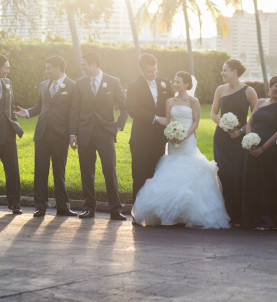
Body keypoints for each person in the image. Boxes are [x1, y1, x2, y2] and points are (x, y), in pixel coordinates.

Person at [132, 71, 230, 229]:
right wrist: (171, 134)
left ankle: (187, 214)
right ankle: (171, 214)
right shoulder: (169, 101)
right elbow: (168, 121)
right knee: (172, 171)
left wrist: (185, 136)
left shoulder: (194, 101)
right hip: (173, 141)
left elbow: (196, 122)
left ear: (186, 84)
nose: (175, 84)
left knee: (190, 172)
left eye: (178, 82)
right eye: (174, 81)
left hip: (188, 140)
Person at [15, 56, 77, 217]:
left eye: (48, 68)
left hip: (60, 135)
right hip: (42, 134)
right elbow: (39, 106)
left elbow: (74, 112)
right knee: (40, 171)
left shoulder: (73, 86)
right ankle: (40, 207)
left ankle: (63, 207)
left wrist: (72, 134)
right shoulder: (43, 85)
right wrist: (27, 112)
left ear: (58, 68)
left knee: (59, 172)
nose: (46, 71)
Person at [69, 52, 128, 220]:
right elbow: (74, 109)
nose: (83, 67)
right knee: (86, 172)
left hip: (105, 133)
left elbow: (125, 107)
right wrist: (73, 134)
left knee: (109, 170)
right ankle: (89, 208)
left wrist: (118, 125)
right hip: (84, 133)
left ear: (95, 64)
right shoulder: (79, 83)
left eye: (85, 64)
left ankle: (116, 210)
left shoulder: (113, 81)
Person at [241, 76, 277, 231]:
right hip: (252, 149)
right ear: (270, 87)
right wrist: (250, 141)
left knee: (268, 184)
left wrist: (263, 148)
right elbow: (250, 123)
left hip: (270, 150)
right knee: (254, 182)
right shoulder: (260, 102)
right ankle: (253, 219)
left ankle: (268, 220)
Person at [211, 59, 257, 227]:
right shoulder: (220, 90)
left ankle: (240, 215)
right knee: (224, 175)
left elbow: (254, 117)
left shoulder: (249, 91)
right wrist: (224, 125)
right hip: (221, 139)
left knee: (238, 175)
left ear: (235, 71)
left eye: (225, 70)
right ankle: (227, 215)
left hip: (240, 140)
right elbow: (214, 114)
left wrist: (240, 131)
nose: (222, 73)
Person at [127, 53, 173, 202]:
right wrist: (156, 118)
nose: (153, 74)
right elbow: (133, 110)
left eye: (155, 70)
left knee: (157, 175)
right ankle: (137, 211)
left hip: (160, 139)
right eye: (149, 71)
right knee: (140, 175)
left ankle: (154, 212)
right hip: (141, 139)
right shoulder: (133, 86)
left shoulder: (165, 82)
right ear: (141, 70)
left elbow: (172, 105)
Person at [0, 54, 23, 215]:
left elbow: (12, 105)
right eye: (6, 66)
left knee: (13, 170)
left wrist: (14, 123)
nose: (9, 70)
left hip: (8, 134)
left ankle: (15, 203)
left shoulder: (7, 83)